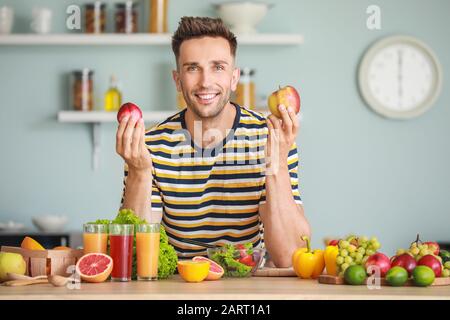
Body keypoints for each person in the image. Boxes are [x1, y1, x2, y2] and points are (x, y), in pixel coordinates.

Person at [116, 16, 310, 267]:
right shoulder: (150, 146)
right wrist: (139, 172)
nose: (205, 81)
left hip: (249, 292)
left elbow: (291, 256)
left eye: (218, 67)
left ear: (233, 78)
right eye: (192, 68)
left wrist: (277, 164)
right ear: (177, 80)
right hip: (178, 289)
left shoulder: (271, 138)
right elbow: (132, 259)